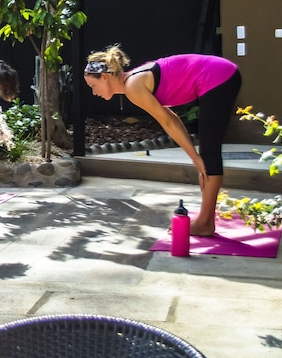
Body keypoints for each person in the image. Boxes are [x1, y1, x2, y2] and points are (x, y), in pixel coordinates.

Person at [83, 45, 241, 236]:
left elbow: (167, 122)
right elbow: (172, 118)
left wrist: (197, 160)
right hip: (221, 73)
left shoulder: (133, 86)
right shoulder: (133, 82)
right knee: (207, 155)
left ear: (105, 77)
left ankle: (205, 223)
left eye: (93, 86)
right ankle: (205, 220)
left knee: (209, 154)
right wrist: (196, 158)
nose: (94, 93)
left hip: (218, 76)